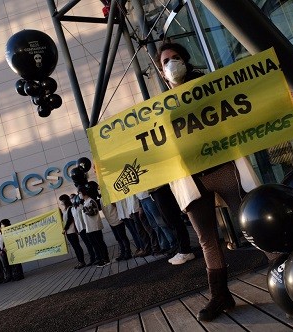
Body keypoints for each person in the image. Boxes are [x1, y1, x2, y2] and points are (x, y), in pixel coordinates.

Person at [156, 42, 263, 321]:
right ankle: (220, 296)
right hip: (193, 180)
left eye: (176, 57)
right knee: (207, 240)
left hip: (225, 167)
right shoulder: (156, 109)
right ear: (160, 71)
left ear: (186, 60)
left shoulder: (210, 84)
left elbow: (246, 104)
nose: (171, 63)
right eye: (166, 61)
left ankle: (284, 273)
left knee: (254, 222)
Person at [78, 185, 110, 267]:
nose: (79, 195)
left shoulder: (91, 201)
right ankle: (100, 259)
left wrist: (84, 209)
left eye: (80, 193)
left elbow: (94, 212)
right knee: (95, 244)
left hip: (95, 226)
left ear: (84, 193)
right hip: (89, 227)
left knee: (100, 243)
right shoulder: (85, 202)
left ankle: (106, 259)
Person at [59, 194, 87, 269]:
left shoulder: (70, 208)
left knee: (77, 246)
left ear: (65, 200)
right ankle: (80, 262)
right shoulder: (65, 210)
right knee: (75, 247)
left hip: (72, 230)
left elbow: (69, 219)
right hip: (68, 232)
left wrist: (65, 228)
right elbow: (64, 219)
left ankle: (82, 261)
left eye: (61, 200)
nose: (61, 202)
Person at [100, 196, 132, 261]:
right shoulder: (101, 199)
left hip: (117, 218)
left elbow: (117, 205)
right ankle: (122, 253)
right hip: (110, 220)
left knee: (122, 236)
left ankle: (128, 252)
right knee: (118, 238)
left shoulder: (110, 194)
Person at [71, 193, 98, 266]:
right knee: (87, 244)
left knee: (91, 243)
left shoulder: (81, 206)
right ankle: (92, 258)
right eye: (71, 198)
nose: (72, 200)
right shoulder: (72, 209)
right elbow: (75, 220)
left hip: (85, 227)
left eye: (73, 198)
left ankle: (96, 257)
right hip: (80, 229)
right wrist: (76, 229)